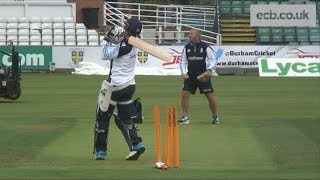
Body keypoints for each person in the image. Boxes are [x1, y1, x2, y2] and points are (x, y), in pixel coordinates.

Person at [93, 17, 145, 160]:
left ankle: (101, 151)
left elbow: (104, 55)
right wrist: (116, 39)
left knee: (103, 117)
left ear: (127, 28)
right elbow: (121, 42)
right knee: (126, 118)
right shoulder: (134, 43)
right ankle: (137, 144)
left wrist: (108, 39)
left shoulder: (125, 46)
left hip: (115, 87)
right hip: (129, 86)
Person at [178, 29, 219, 125]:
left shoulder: (206, 47)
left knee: (210, 96)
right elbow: (183, 61)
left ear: (197, 36)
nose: (189, 35)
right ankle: (185, 117)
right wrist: (183, 73)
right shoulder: (186, 47)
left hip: (203, 75)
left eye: (191, 34)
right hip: (190, 75)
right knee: (185, 94)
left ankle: (215, 117)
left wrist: (209, 70)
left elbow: (214, 59)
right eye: (189, 34)